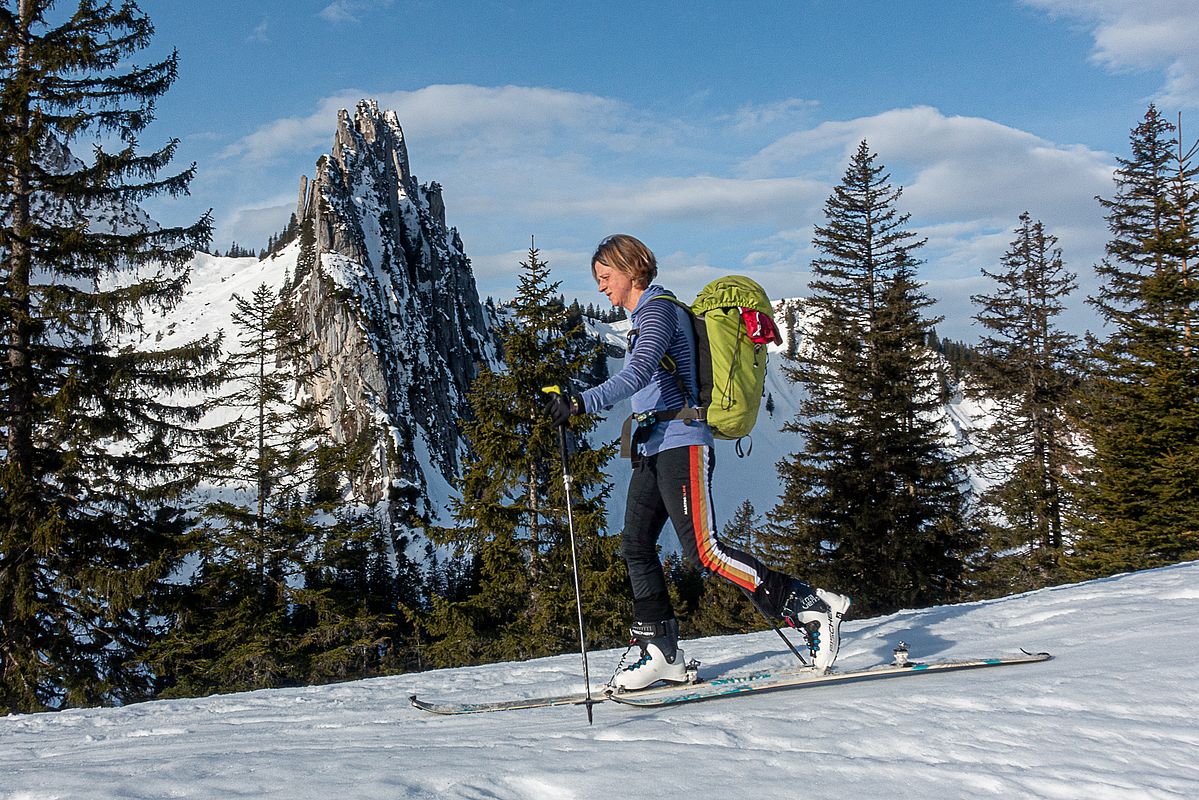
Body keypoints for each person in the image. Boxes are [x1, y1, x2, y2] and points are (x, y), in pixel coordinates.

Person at [544, 233, 851, 692]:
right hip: (652, 445)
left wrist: (580, 402)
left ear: (631, 269)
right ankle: (660, 651)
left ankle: (808, 606)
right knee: (635, 545)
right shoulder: (643, 317)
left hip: (683, 441)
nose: (601, 288)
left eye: (606, 277)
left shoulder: (659, 310)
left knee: (705, 552)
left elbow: (640, 371)